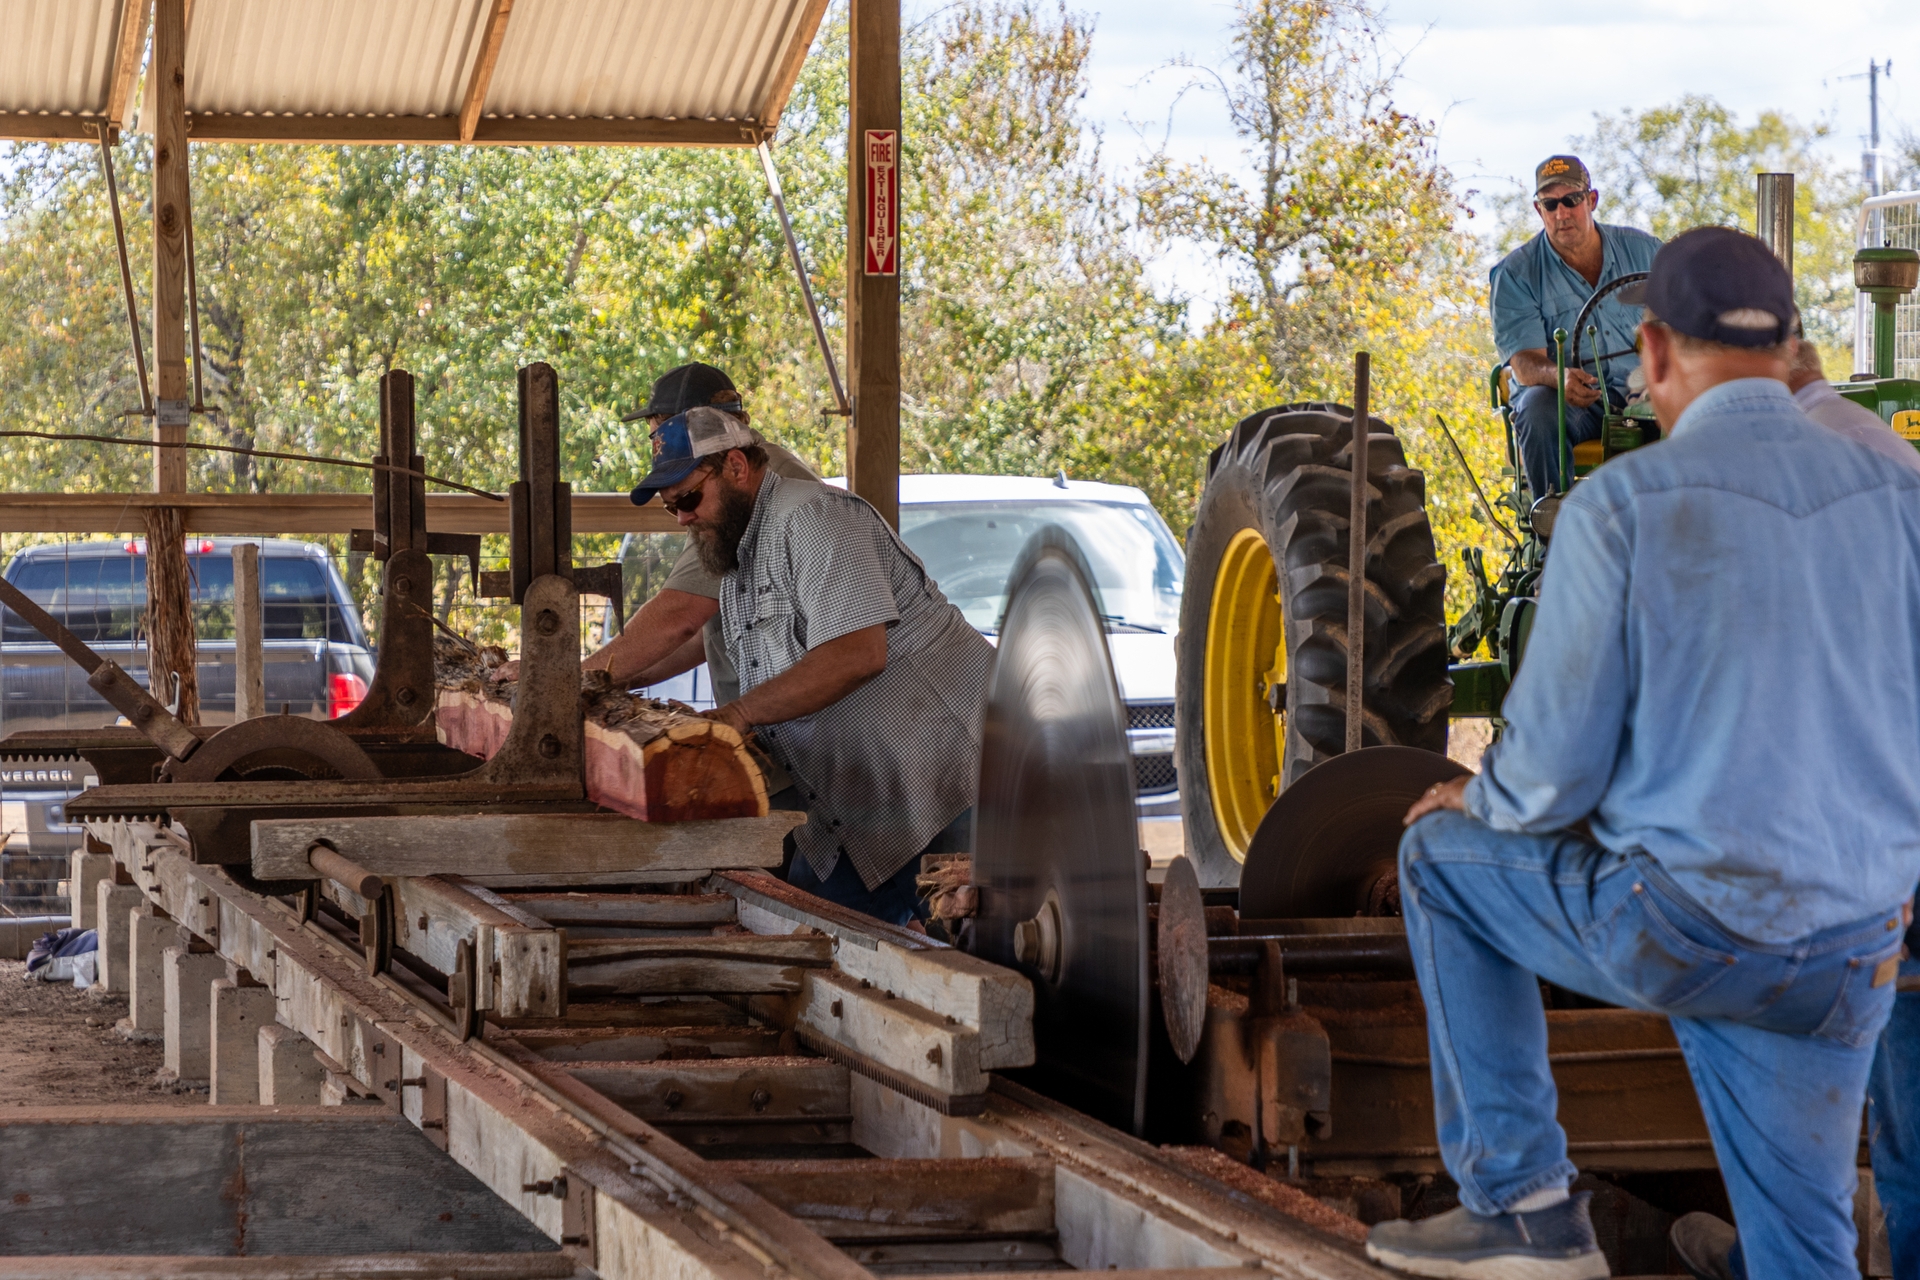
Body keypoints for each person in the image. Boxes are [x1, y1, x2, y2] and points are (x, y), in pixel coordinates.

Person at [1364, 227, 1920, 1280]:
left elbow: (1551, 776)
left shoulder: (1623, 504)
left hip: (1693, 927)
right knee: (1806, 1252)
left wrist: (1475, 797)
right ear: (1791, 346)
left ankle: (1525, 1208)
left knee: (1439, 861)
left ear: (1654, 352)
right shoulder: (1901, 497)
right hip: (1853, 950)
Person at [629, 404, 995, 926]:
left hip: (948, 787)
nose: (684, 518)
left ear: (736, 467)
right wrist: (597, 681)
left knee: (983, 948)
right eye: (672, 510)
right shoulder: (739, 559)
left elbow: (857, 653)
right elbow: (687, 643)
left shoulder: (814, 519)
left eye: (688, 499)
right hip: (862, 813)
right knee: (805, 935)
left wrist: (739, 714)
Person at [1490, 155, 1661, 501]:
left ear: (1591, 200)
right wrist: (1560, 377)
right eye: (1550, 204)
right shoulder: (1515, 274)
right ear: (1539, 210)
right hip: (1578, 401)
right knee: (1538, 408)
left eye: (1571, 200)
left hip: (1646, 395)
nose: (1561, 213)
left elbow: (1684, 319)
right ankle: (1550, 522)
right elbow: (1523, 363)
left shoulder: (1645, 252)